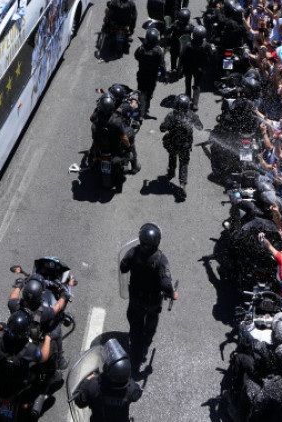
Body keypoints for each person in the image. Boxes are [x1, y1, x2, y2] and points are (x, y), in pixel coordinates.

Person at [119, 224, 177, 372]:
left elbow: (123, 267)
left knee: (135, 323)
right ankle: (145, 343)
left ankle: (135, 347)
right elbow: (166, 284)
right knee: (151, 321)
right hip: (152, 301)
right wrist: (172, 293)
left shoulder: (133, 252)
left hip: (136, 298)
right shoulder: (161, 259)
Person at [160, 94, 200, 200]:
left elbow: (162, 128)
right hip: (185, 145)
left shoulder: (171, 116)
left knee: (172, 156)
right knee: (184, 163)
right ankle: (182, 184)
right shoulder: (192, 115)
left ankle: (171, 171)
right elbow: (200, 127)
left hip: (172, 143)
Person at [134, 27, 163, 118]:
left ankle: (140, 104)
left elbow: (136, 56)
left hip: (142, 73)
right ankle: (145, 106)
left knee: (141, 90)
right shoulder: (158, 51)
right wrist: (164, 74)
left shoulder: (141, 49)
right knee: (149, 91)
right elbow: (161, 64)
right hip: (152, 75)